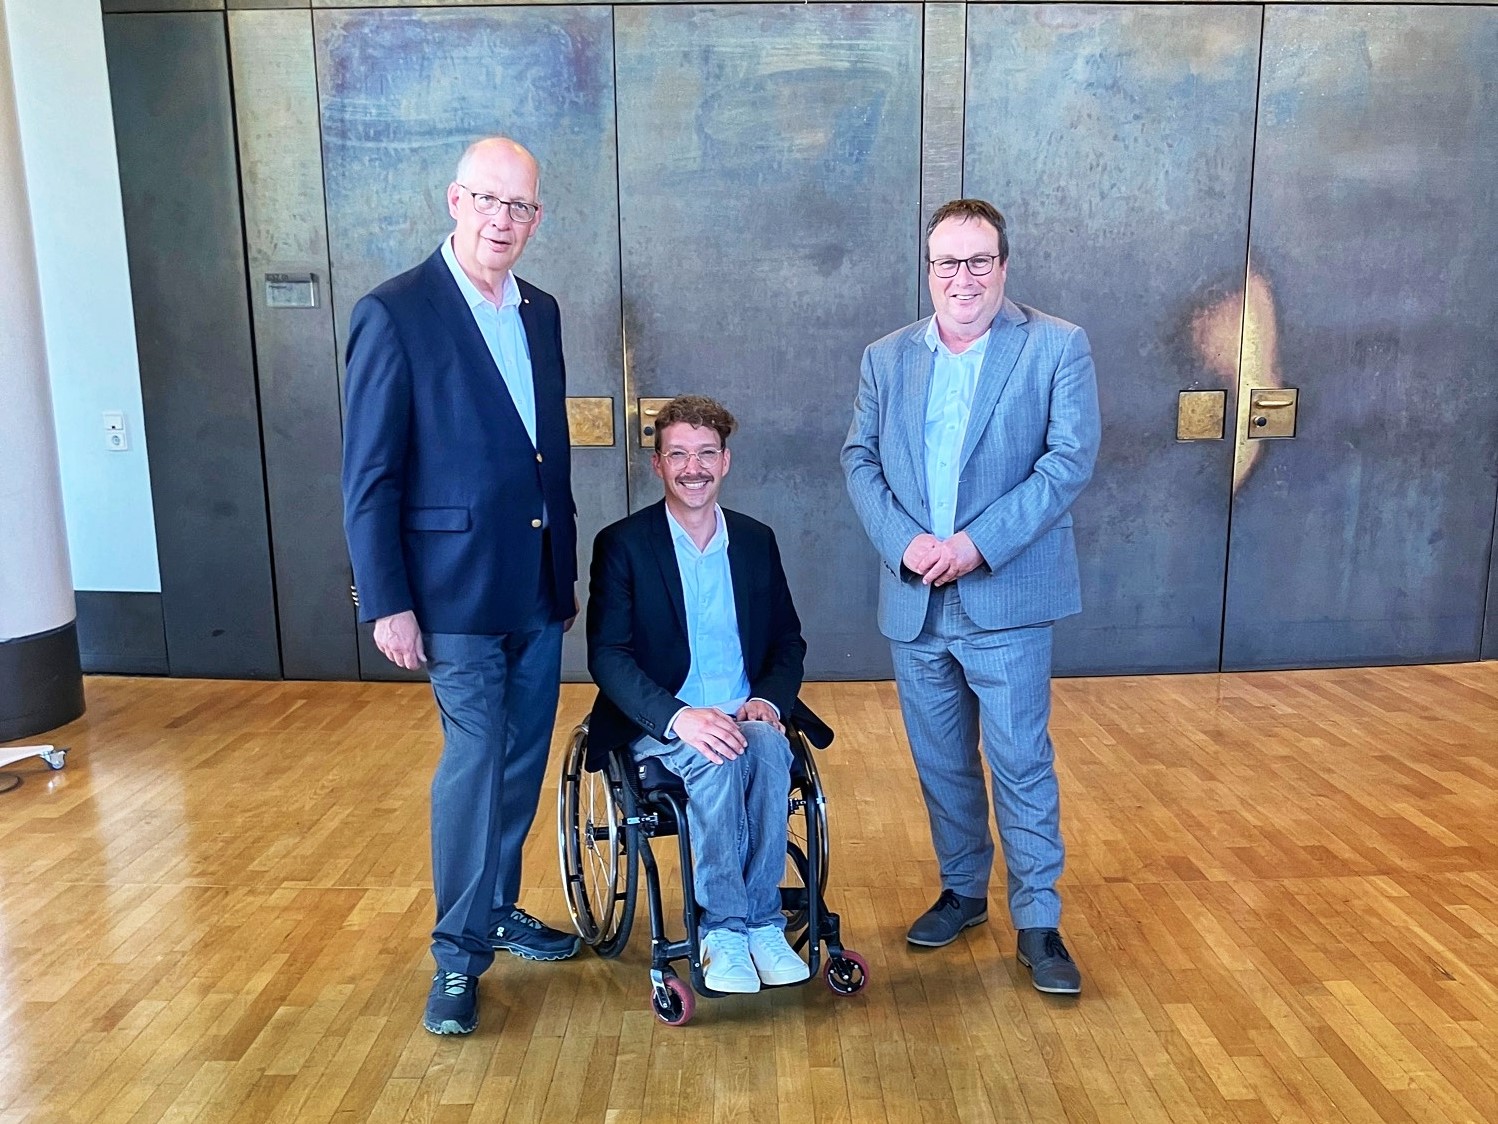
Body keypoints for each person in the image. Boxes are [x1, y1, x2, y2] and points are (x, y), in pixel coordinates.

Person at [341, 136, 581, 1036]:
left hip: (534, 582)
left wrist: (561, 566)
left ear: (537, 218)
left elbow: (537, 452)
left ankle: (496, 906)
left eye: (519, 207)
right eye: (487, 200)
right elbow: (369, 477)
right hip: (447, 593)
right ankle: (456, 954)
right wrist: (386, 598)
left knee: (520, 759)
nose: (501, 221)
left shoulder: (542, 311)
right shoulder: (394, 313)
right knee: (475, 758)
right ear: (454, 200)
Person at [842, 198, 1100, 994]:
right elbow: (859, 461)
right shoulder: (886, 358)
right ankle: (962, 893)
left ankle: (1039, 922)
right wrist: (907, 544)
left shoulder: (1056, 346)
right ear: (928, 270)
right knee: (941, 763)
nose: (963, 277)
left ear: (1004, 265)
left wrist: (973, 545)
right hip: (916, 598)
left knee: (1021, 760)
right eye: (947, 262)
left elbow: (1066, 463)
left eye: (978, 260)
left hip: (1006, 595)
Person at [586, 395, 811, 994]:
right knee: (717, 756)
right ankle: (721, 929)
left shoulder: (756, 541)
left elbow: (788, 642)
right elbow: (607, 656)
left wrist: (768, 698)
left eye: (706, 453)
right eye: (678, 454)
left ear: (726, 462)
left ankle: (762, 923)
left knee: (763, 747)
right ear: (657, 465)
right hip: (660, 725)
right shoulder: (624, 544)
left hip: (745, 713)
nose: (693, 467)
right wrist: (679, 717)